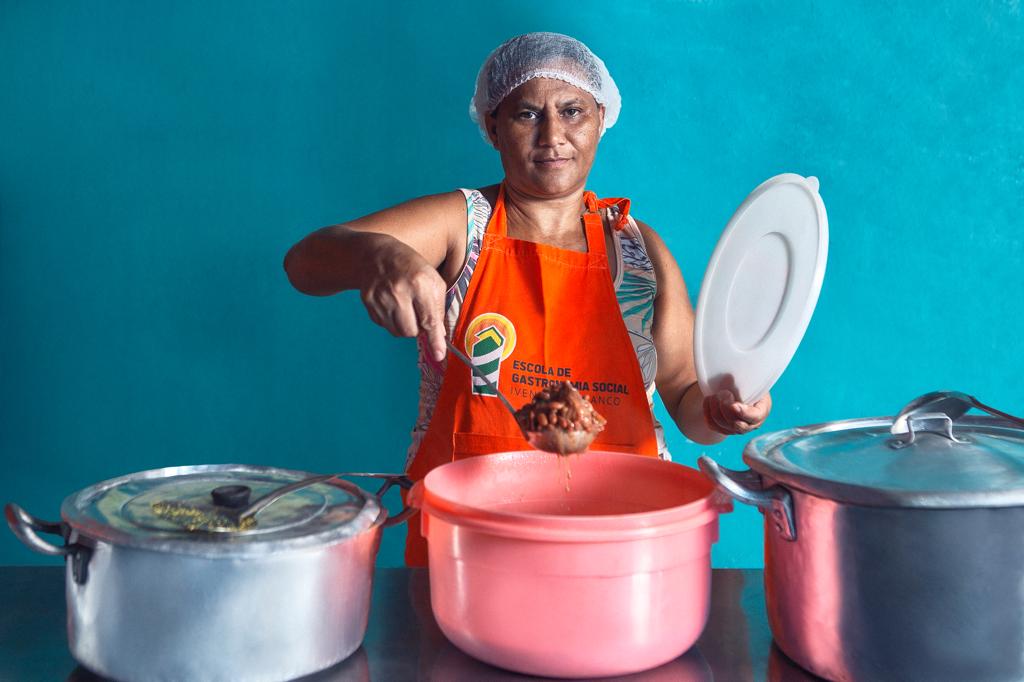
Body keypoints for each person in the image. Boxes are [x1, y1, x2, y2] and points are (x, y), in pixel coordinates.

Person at [284, 32, 772, 566]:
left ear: (601, 116)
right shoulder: (460, 224)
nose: (553, 136)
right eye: (526, 115)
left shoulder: (640, 250)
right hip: (469, 542)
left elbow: (685, 399)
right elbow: (305, 263)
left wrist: (723, 411)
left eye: (572, 111)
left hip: (621, 542)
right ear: (493, 127)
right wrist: (380, 258)